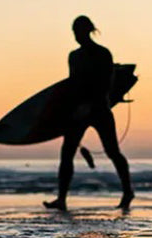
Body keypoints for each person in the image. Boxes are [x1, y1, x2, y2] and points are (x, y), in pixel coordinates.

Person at [44, 15, 134, 211]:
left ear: (88, 31)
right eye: (74, 32)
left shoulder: (103, 54)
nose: (76, 36)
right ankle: (61, 199)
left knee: (112, 152)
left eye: (79, 32)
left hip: (99, 108)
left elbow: (105, 83)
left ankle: (128, 191)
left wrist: (90, 105)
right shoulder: (74, 56)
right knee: (66, 153)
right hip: (77, 111)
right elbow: (72, 84)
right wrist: (68, 109)